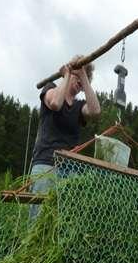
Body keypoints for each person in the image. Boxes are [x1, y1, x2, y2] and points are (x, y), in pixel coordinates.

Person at [28, 55, 101, 222]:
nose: (80, 83)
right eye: (78, 76)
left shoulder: (78, 106)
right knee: (39, 221)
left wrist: (83, 75)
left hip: (69, 170)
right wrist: (67, 75)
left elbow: (95, 111)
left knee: (64, 223)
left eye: (84, 81)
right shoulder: (50, 89)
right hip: (46, 165)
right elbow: (55, 103)